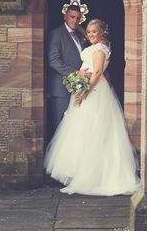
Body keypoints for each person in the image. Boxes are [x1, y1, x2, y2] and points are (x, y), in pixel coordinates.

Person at [44, 18, 140, 196]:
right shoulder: (99, 46)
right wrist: (80, 76)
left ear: (102, 32)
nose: (90, 35)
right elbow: (90, 63)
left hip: (94, 91)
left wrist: (86, 90)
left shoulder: (99, 49)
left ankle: (95, 175)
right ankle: (82, 170)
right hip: (90, 89)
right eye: (88, 32)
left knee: (93, 129)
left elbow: (97, 72)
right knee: (83, 130)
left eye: (94, 32)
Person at [47, 4, 88, 139]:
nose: (75, 20)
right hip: (61, 90)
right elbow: (54, 61)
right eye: (72, 17)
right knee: (60, 126)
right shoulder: (56, 34)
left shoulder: (80, 36)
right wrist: (76, 73)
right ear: (65, 17)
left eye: (78, 18)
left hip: (78, 89)